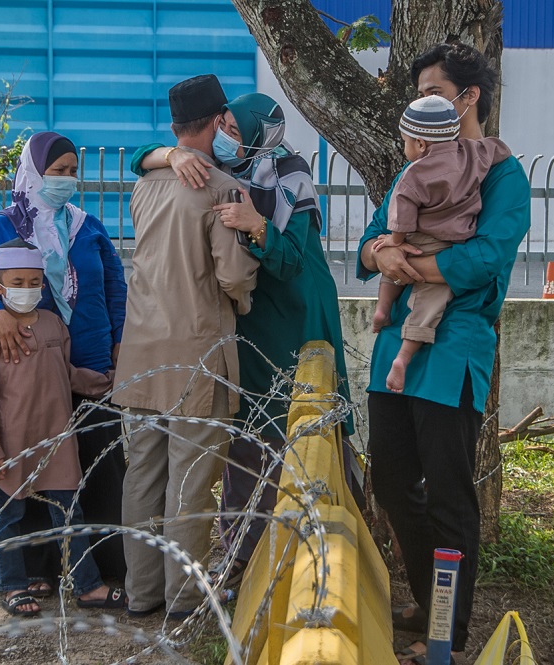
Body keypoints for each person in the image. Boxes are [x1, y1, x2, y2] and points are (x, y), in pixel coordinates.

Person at [131, 91, 356, 586]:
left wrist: (257, 225)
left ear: (260, 134)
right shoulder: (217, 172)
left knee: (294, 430)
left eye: (235, 130)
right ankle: (242, 554)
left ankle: (307, 545)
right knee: (245, 435)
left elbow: (292, 260)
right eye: (223, 126)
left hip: (294, 317)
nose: (225, 137)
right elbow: (139, 157)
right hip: (247, 317)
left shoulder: (290, 174)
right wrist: (170, 154)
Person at [357, 43, 531, 664]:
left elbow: (488, 256)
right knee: (392, 481)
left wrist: (411, 265)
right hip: (394, 348)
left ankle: (445, 638)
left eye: (435, 93)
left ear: (469, 98)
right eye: (419, 96)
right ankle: (431, 597)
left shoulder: (502, 174)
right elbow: (370, 240)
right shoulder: (419, 163)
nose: (424, 106)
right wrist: (383, 253)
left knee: (451, 495)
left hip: (454, 348)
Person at [111, 74, 259, 618]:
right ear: (219, 121)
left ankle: (143, 592)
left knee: (142, 478)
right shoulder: (222, 188)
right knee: (190, 484)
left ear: (175, 128)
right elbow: (234, 276)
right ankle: (184, 599)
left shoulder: (146, 184)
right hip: (197, 353)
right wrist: (245, 297)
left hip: (141, 351)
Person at [0, 131, 128, 591]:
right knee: (30, 467)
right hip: (26, 371)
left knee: (98, 467)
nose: (66, 179)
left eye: (72, 171)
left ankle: (105, 568)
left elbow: (115, 287)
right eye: (57, 171)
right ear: (34, 172)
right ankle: (34, 571)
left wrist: (119, 339)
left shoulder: (87, 227)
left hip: (91, 366)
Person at [0, 239, 124, 616]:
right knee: (9, 516)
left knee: (69, 514)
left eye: (34, 282)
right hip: (13, 444)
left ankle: (87, 585)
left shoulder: (54, 325)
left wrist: (108, 383)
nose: (27, 289)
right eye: (17, 282)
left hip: (57, 441)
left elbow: (65, 375)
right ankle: (13, 586)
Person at [371, 95, 510, 393]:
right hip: (448, 243)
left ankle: (383, 310)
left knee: (393, 270)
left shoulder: (413, 174)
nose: (405, 148)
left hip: (416, 237)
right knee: (430, 303)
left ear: (421, 144)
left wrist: (394, 242)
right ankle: (404, 356)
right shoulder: (472, 155)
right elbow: (498, 149)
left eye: (405, 142)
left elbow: (401, 216)